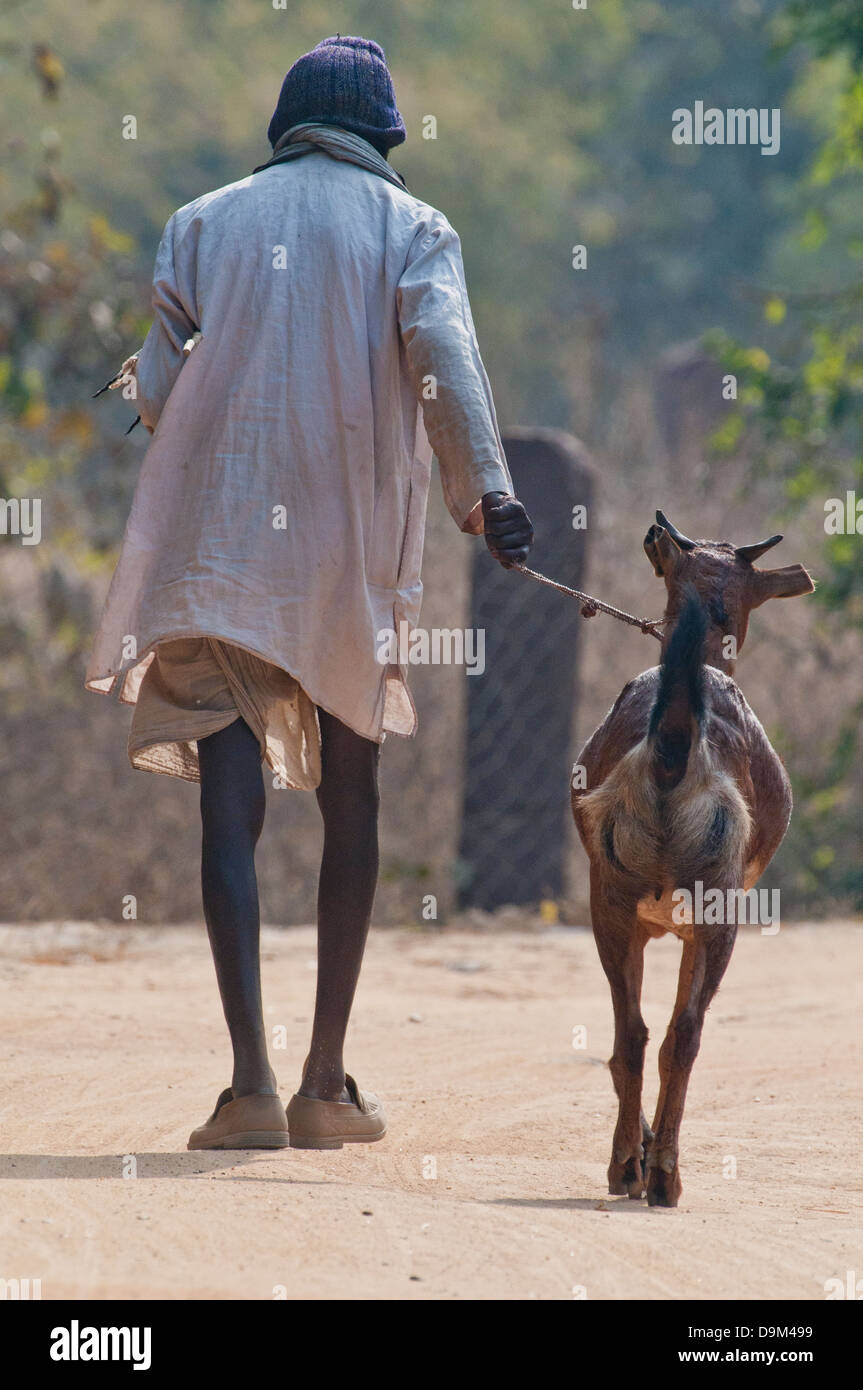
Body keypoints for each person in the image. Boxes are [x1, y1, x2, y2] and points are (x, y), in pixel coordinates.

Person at [86, 35, 533, 1151]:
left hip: (219, 544)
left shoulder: (202, 221)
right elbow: (443, 362)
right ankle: (326, 1084)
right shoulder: (413, 229)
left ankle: (247, 1085)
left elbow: (164, 383)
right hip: (341, 549)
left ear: (284, 128)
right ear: (383, 137)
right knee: (352, 794)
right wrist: (487, 497)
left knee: (225, 800)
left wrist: (150, 393)